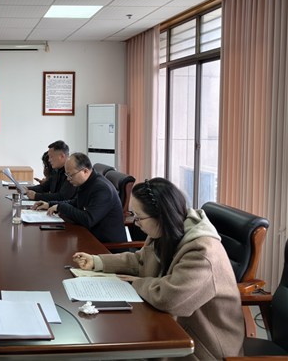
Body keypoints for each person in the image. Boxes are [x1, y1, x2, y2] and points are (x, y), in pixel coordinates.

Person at [72, 178, 245, 360]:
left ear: (161, 215)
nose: (136, 223)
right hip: (169, 327)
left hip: (202, 348)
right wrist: (97, 262)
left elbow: (171, 298)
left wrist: (136, 283)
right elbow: (141, 260)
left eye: (139, 217)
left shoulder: (202, 252)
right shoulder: (166, 230)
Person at [33, 152, 126, 243]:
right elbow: (76, 202)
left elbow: (88, 219)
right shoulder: (88, 182)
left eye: (70, 175)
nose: (68, 179)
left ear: (85, 171)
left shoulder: (102, 189)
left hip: (106, 246)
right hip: (89, 237)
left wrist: (61, 207)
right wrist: (50, 204)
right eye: (67, 175)